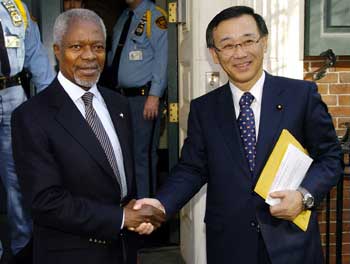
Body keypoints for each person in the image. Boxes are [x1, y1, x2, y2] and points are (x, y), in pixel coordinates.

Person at [134, 5, 344, 264]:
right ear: (214, 54)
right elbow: (191, 169)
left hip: (291, 244)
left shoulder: (301, 96)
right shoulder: (204, 109)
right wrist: (161, 204)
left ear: (263, 42)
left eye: (248, 41)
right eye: (229, 45)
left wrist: (304, 196)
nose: (240, 53)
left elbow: (331, 158)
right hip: (230, 245)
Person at [11, 8, 165, 264]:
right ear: (57, 51)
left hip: (122, 251)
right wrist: (122, 218)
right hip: (70, 254)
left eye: (98, 47)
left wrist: (134, 226)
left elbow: (123, 185)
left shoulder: (118, 105)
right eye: (76, 47)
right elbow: (45, 202)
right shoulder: (31, 116)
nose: (89, 56)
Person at [0, 0, 55, 262]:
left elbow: (37, 59)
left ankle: (22, 249)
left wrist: (54, 108)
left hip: (13, 96)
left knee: (19, 179)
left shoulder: (17, 9)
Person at [107, 0, 168, 198]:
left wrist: (154, 95)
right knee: (127, 154)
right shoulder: (124, 18)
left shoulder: (155, 16)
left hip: (144, 99)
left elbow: (163, 57)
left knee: (143, 156)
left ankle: (147, 207)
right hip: (122, 98)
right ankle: (132, 203)